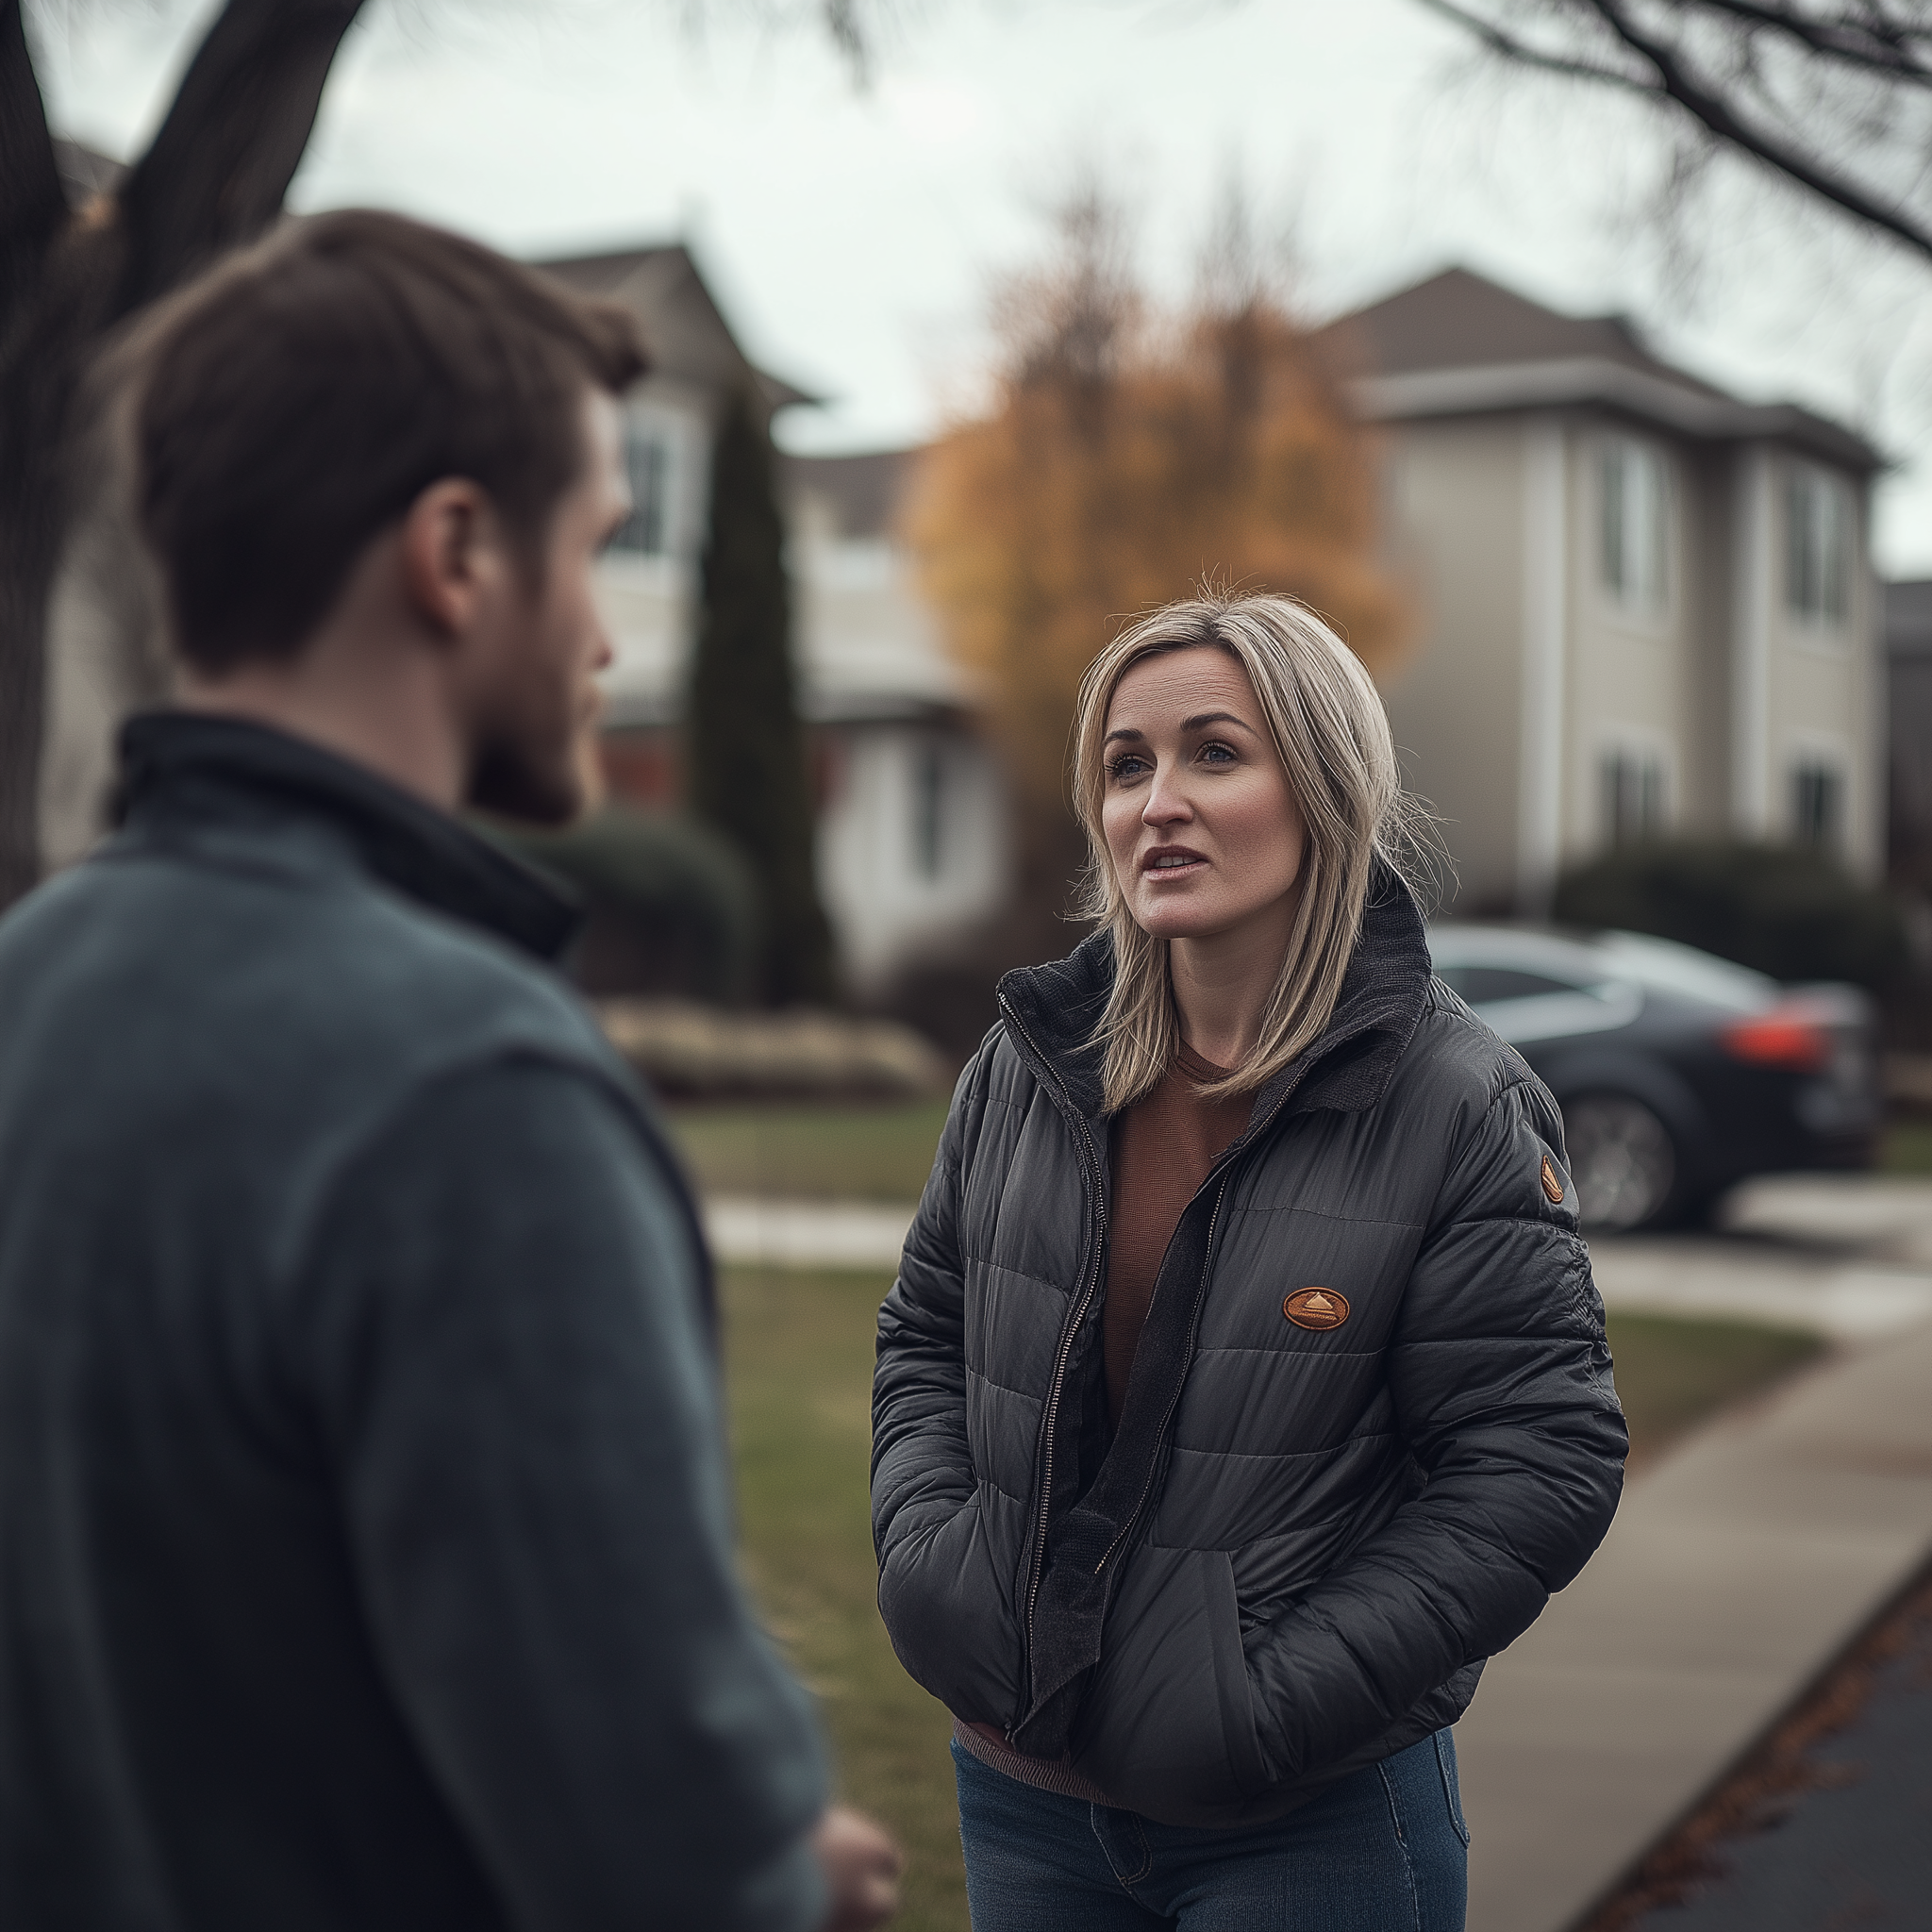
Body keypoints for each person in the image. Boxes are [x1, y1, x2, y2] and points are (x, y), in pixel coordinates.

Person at [0, 209, 899, 1932]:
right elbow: (667, 1862)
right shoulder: (469, 1100)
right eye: (596, 546)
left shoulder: (28, 986)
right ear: (460, 554)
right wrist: (783, 1877)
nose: (608, 639)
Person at [871, 592, 1628, 1930]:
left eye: (1215, 752)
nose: (1158, 800)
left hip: (1304, 1824)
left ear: (1322, 789)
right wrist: (939, 1565)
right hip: (1020, 1795)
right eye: (1126, 765)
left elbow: (1539, 1457)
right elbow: (928, 1331)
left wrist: (1269, 1700)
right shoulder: (1028, 1066)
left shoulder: (1455, 1101)